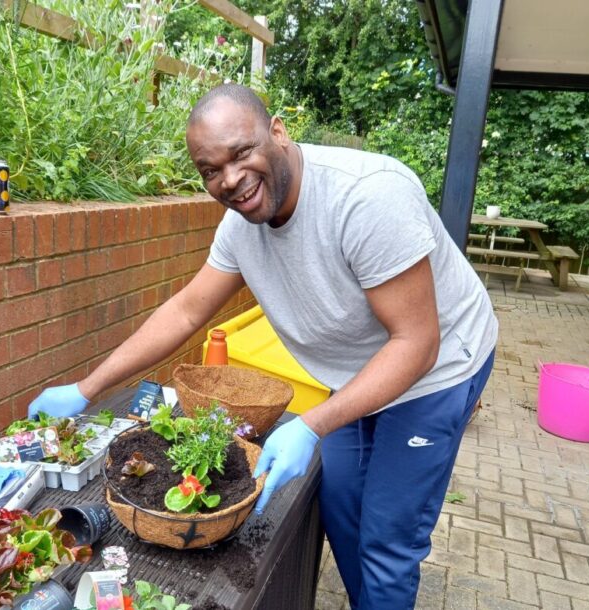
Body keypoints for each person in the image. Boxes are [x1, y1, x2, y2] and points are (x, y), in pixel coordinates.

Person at [29, 83, 498, 609]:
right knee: (340, 507)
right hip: (354, 372)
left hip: (435, 371)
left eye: (241, 152)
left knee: (388, 539)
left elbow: (417, 343)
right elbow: (186, 310)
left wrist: (312, 423)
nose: (229, 179)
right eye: (210, 170)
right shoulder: (240, 227)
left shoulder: (367, 198)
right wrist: (86, 388)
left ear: (277, 131)